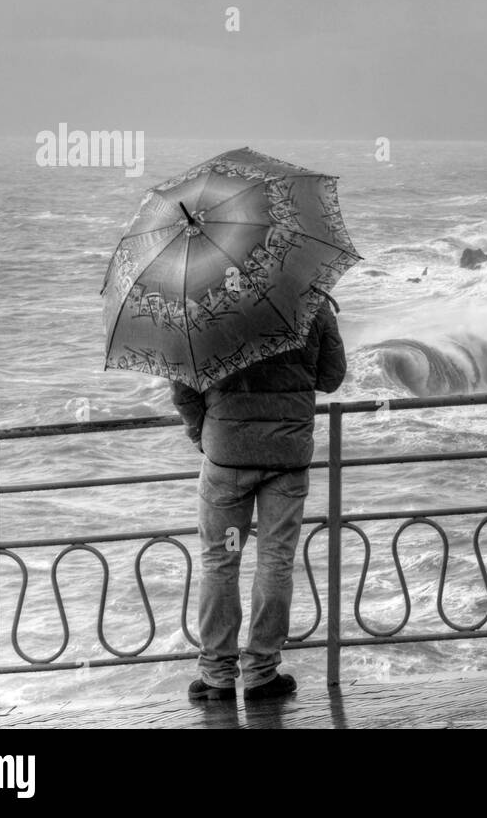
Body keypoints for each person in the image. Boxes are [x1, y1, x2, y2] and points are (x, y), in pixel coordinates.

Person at [170, 298, 345, 702]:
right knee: (275, 560)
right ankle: (263, 672)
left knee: (220, 560)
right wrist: (327, 323)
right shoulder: (309, 302)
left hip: (227, 459)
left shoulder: (202, 304)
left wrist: (202, 434)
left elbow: (182, 386)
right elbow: (331, 377)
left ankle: (216, 675)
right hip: (285, 460)